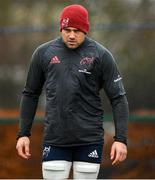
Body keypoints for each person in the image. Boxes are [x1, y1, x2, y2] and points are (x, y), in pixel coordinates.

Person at [16, 4, 129, 179]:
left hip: (89, 140)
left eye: (77, 30)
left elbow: (118, 98)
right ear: (61, 28)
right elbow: (30, 94)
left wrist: (120, 139)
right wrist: (23, 134)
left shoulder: (101, 55)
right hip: (55, 139)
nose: (71, 35)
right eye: (67, 29)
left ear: (86, 30)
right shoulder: (43, 53)